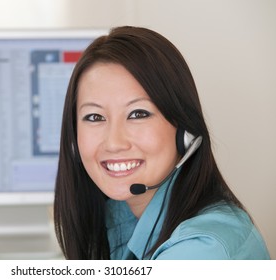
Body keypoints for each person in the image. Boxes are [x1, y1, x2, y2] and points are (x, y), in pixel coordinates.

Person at [53, 26, 270, 260]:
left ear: (184, 130)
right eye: (95, 117)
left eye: (138, 114)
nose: (113, 143)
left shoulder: (201, 250)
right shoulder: (120, 215)